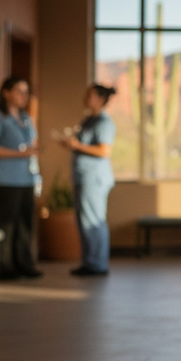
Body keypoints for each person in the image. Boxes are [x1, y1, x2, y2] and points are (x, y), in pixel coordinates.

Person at [0, 76, 43, 280]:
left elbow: (31, 143)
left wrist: (33, 151)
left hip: (26, 178)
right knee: (5, 224)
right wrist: (18, 154)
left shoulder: (25, 118)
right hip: (3, 179)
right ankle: (3, 267)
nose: (24, 96)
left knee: (24, 224)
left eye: (26, 92)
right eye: (19, 91)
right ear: (6, 93)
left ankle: (24, 264)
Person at [60, 84, 117, 277]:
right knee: (84, 221)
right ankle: (89, 262)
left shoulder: (104, 123)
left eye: (90, 95)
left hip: (95, 179)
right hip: (83, 176)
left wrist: (77, 145)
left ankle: (98, 264)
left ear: (101, 99)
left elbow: (104, 151)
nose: (86, 98)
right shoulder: (88, 120)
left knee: (94, 221)